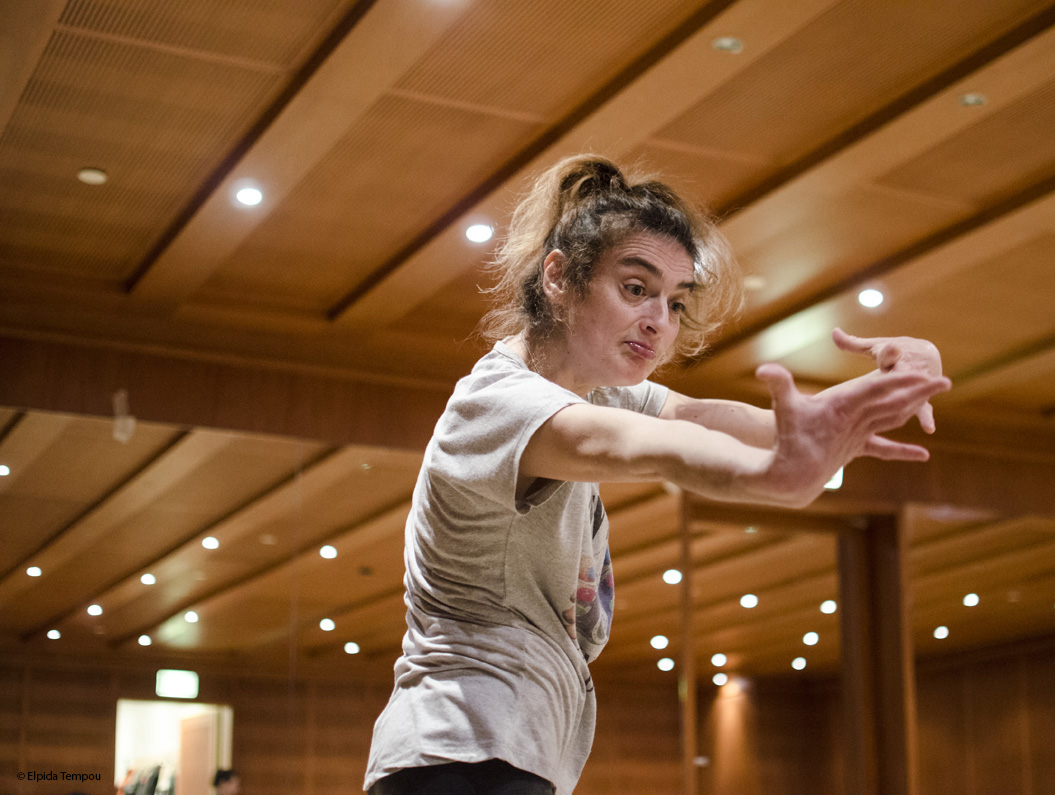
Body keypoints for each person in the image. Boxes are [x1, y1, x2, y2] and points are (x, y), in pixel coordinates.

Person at [364, 155, 950, 795]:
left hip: (492, 757)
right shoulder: (500, 405)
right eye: (636, 289)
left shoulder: (594, 391)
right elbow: (649, 445)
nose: (658, 322)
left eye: (675, 302)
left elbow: (696, 414)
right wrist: (771, 475)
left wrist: (875, 390)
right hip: (461, 754)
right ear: (559, 277)